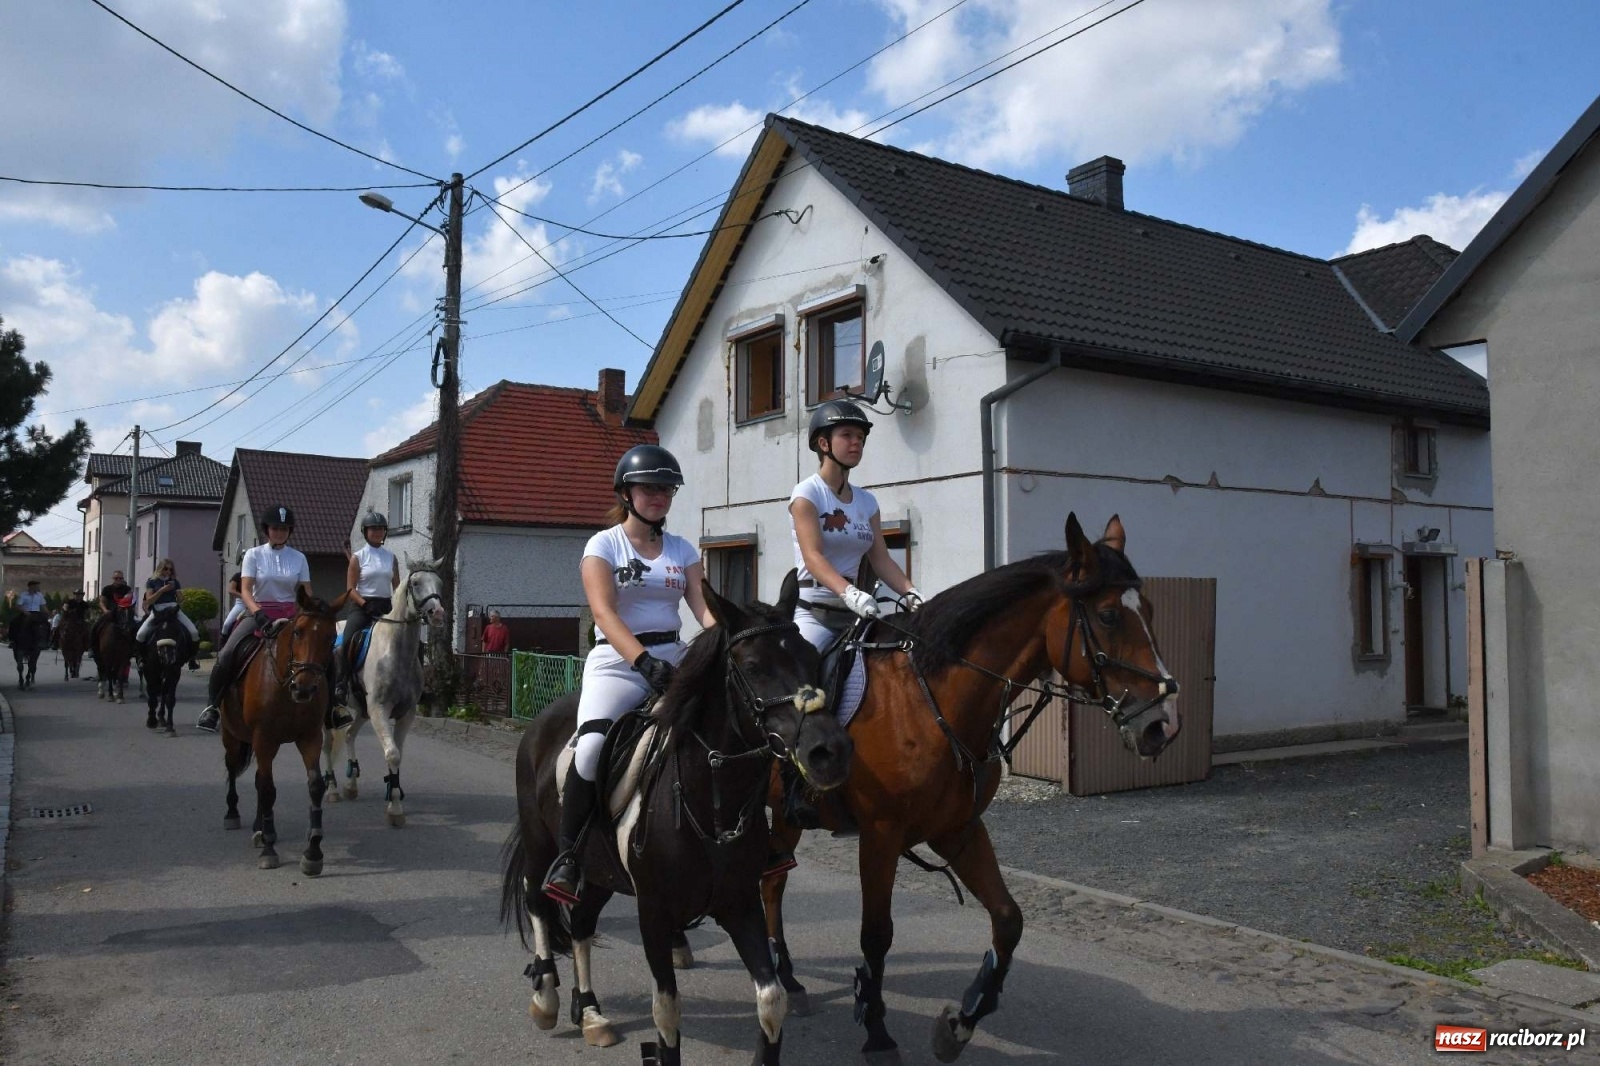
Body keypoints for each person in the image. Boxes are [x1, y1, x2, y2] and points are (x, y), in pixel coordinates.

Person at [542, 444, 716, 906]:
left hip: (675, 655)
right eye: (648, 487)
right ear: (626, 492)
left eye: (666, 488)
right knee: (594, 744)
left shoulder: (681, 549)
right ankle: (569, 855)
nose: (658, 496)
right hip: (618, 663)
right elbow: (602, 610)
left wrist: (727, 641)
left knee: (724, 730)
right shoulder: (603, 544)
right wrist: (642, 660)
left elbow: (701, 607)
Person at [197, 505, 346, 732]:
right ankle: (213, 708)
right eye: (276, 528)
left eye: (284, 529)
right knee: (227, 654)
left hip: (290, 614)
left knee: (323, 655)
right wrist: (258, 613)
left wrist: (314, 613)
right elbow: (246, 590)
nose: (280, 532)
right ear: (267, 530)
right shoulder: (253, 555)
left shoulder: (299, 558)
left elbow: (307, 591)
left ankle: (333, 708)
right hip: (258, 613)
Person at [789, 399, 921, 653]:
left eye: (860, 437)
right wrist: (849, 592)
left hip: (857, 611)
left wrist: (912, 593)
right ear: (824, 443)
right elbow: (813, 557)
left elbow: (881, 560)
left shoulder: (867, 502)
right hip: (814, 612)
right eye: (847, 435)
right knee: (802, 681)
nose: (856, 442)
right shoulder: (807, 493)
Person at [331, 511, 400, 706]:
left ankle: (412, 684)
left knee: (409, 638)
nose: (377, 532)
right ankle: (341, 683)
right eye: (373, 529)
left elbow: (397, 586)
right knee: (348, 640)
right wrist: (365, 604)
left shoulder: (391, 558)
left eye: (380, 529)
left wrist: (398, 606)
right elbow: (350, 589)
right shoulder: (357, 557)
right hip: (362, 607)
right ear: (365, 531)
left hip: (386, 606)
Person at [135, 558, 201, 670]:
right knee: (140, 634)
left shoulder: (174, 581)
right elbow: (149, 600)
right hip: (157, 610)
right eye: (166, 568)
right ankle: (141, 658)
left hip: (173, 609)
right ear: (160, 568)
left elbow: (180, 599)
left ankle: (192, 659)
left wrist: (180, 596)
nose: (168, 571)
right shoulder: (151, 581)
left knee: (194, 632)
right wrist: (162, 590)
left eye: (171, 569)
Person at [89, 569, 135, 666]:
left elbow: (129, 599)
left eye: (120, 578)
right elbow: (101, 601)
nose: (118, 580)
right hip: (109, 613)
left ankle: (135, 649)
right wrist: (105, 610)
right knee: (95, 627)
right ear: (113, 579)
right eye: (116, 578)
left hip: (122, 614)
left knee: (134, 627)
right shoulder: (107, 589)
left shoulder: (127, 589)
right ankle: (93, 649)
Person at [218, 571, 245, 642]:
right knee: (227, 624)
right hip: (242, 603)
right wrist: (244, 596)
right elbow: (231, 590)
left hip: (257, 603)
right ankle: (223, 643)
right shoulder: (238, 575)